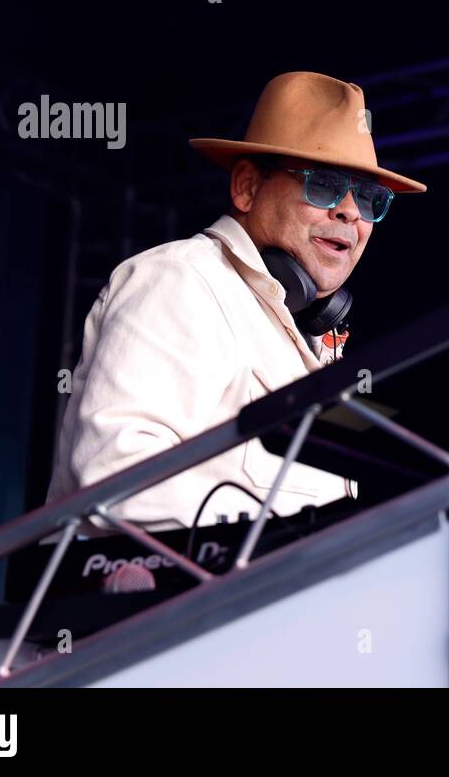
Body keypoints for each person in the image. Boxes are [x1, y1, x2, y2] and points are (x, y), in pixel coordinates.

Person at [46, 71, 426, 533]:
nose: (350, 211)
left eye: (369, 199)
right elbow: (118, 477)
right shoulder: (183, 281)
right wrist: (294, 551)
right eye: (323, 185)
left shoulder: (312, 332)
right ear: (246, 187)